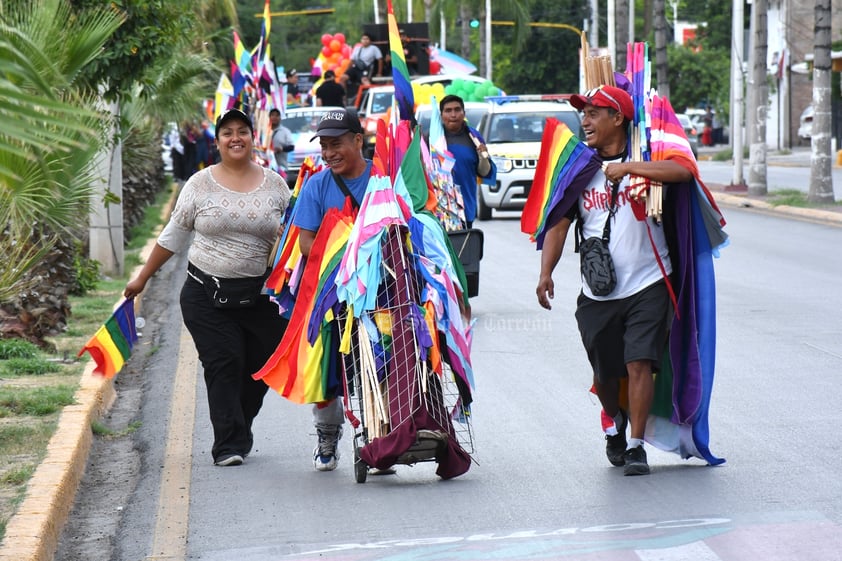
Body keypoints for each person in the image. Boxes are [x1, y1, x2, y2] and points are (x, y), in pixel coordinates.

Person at [535, 85, 693, 476]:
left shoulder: (648, 158)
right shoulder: (579, 168)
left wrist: (629, 168)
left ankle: (636, 446)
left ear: (617, 118)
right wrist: (545, 273)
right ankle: (612, 421)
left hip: (650, 282)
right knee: (605, 373)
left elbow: (683, 171)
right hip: (598, 291)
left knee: (640, 362)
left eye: (593, 113)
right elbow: (558, 225)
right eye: (583, 114)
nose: (584, 121)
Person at [124, 108, 291, 467]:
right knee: (224, 361)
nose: (235, 138)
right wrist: (142, 277)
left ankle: (240, 427)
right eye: (227, 132)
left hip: (260, 296)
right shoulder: (199, 185)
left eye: (242, 131)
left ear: (252, 137)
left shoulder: (276, 184)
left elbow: (292, 235)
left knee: (261, 368)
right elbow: (173, 235)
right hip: (205, 294)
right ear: (217, 142)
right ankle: (228, 444)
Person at [291, 107, 370, 471]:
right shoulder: (316, 186)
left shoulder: (383, 179)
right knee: (327, 373)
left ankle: (379, 433)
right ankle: (327, 435)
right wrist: (344, 244)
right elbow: (305, 243)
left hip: (379, 292)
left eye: (336, 143)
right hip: (329, 296)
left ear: (358, 140)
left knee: (382, 363)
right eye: (324, 146)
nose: (328, 153)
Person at [440, 94, 495, 228]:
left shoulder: (474, 137)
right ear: (441, 115)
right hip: (439, 210)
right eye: (448, 110)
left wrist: (483, 157)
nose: (453, 115)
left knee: (463, 247)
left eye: (457, 110)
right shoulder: (431, 139)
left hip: (465, 208)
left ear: (463, 113)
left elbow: (484, 172)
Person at [269, 108, 294, 175]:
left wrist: (282, 149)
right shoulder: (264, 131)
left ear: (280, 118)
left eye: (277, 115)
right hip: (266, 167)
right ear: (269, 117)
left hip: (281, 167)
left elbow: (292, 147)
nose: (274, 117)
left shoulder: (285, 131)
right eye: (272, 115)